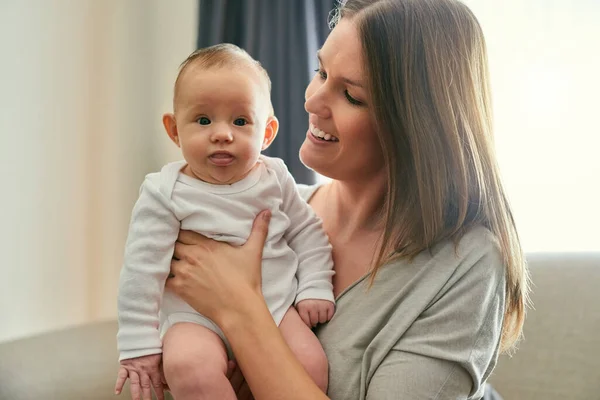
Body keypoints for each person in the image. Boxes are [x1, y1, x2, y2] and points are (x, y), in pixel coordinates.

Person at [164, 0, 531, 399]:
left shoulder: (465, 265)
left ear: (415, 124)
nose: (311, 102)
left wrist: (240, 311)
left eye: (351, 96)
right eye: (320, 72)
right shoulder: (268, 217)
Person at [114, 44, 336, 400]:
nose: (222, 133)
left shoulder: (275, 177)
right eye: (203, 120)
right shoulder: (163, 192)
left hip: (275, 309)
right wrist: (138, 343)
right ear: (174, 130)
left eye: (240, 121)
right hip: (193, 316)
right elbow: (141, 271)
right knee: (188, 367)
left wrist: (315, 285)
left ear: (266, 133)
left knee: (310, 364)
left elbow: (307, 232)